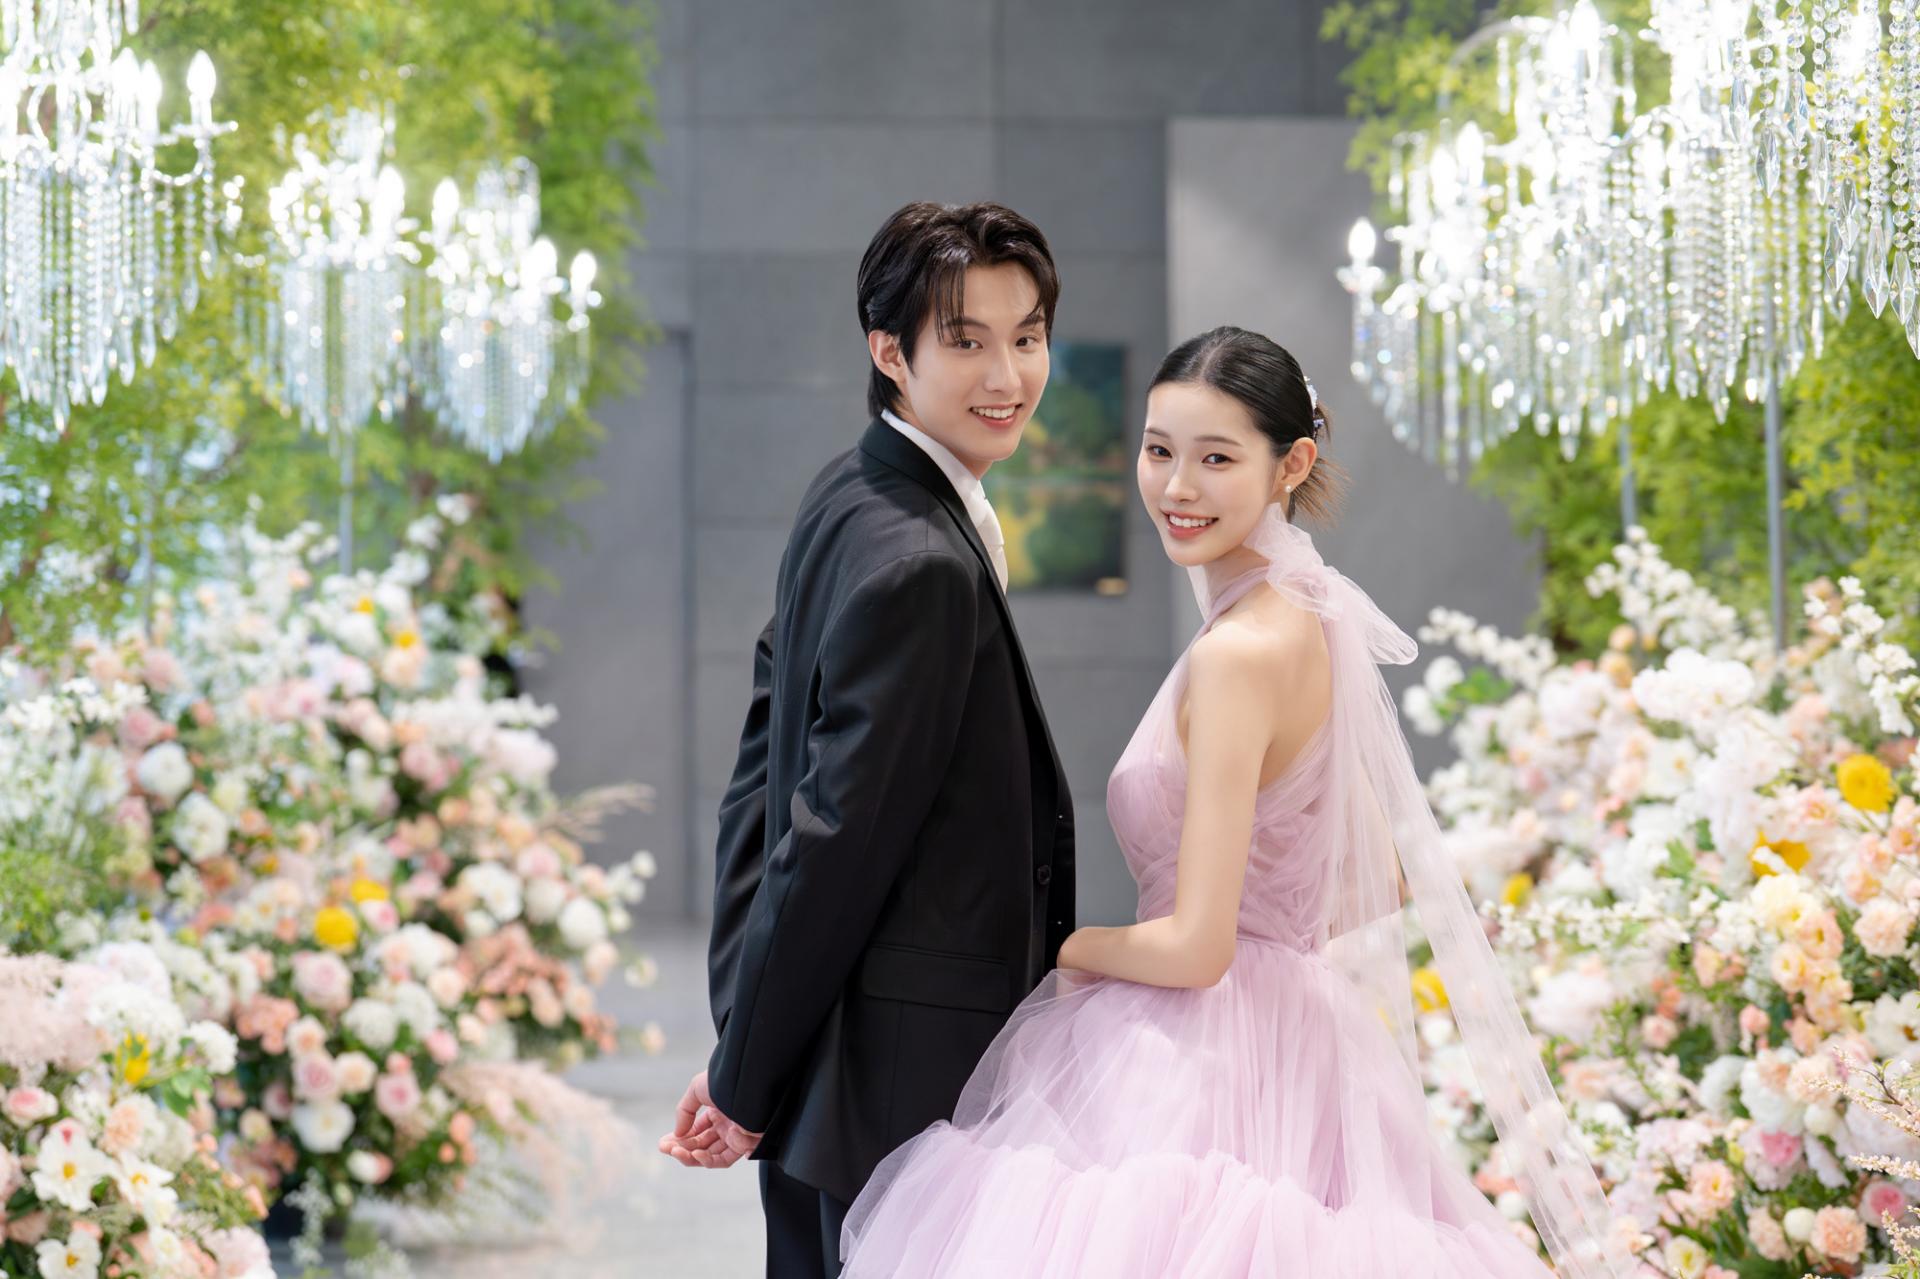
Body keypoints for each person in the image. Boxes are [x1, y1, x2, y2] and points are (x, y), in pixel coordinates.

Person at [836, 326, 1632, 1278]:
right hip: (1302, 1046)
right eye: (1158, 450)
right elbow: (1377, 878)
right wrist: (1275, 936)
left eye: (1216, 458)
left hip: (1194, 1059)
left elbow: (1197, 947)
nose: (1177, 487)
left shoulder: (1238, 655)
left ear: (1290, 464)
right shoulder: (1308, 619)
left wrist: (1067, 950)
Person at [658, 201, 1077, 1279]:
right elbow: (831, 838)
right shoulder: (920, 560)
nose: (1008, 377)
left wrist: (749, 1040)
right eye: (967, 341)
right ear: (890, 351)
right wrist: (746, 1074)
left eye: (1027, 337)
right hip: (895, 1098)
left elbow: (759, 781)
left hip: (831, 1074)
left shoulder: (850, 491)